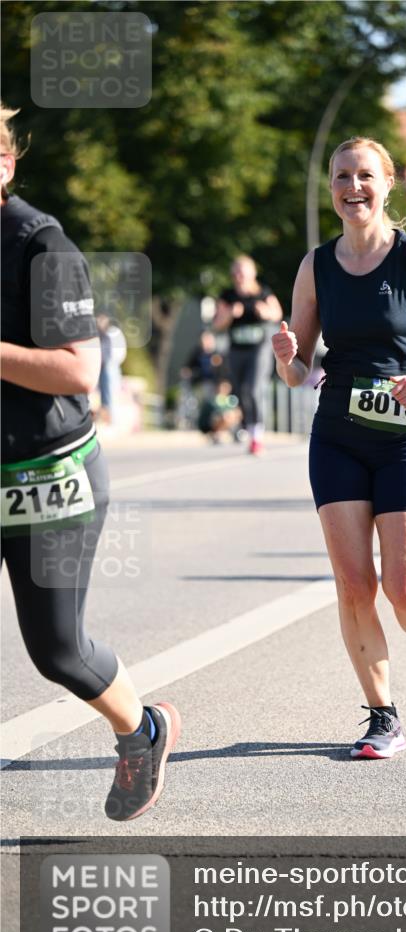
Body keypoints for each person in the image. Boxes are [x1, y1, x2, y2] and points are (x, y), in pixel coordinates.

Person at [272, 136, 406, 759]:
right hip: (337, 433)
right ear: (330, 186)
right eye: (341, 176)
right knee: (353, 584)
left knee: (405, 587)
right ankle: (382, 716)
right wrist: (289, 360)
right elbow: (300, 365)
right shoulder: (316, 265)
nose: (352, 187)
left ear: (387, 184)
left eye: (364, 175)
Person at [0, 104, 180, 820]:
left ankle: (142, 730)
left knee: (58, 651)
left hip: (50, 476)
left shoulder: (40, 245)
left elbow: (79, 370)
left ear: (6, 164)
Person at [214, 255, 282, 455]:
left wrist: (265, 312)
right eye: (235, 272)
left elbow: (277, 313)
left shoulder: (263, 292)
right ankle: (247, 426)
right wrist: (229, 315)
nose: (238, 276)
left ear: (252, 273)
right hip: (236, 350)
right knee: (240, 390)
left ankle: (256, 436)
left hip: (258, 350)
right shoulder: (227, 296)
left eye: (242, 271)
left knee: (253, 388)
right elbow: (217, 323)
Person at [95, 312, 127, 428]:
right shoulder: (100, 335)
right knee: (104, 394)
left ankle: (111, 420)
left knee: (110, 394)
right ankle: (106, 419)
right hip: (102, 367)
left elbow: (117, 352)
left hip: (110, 367)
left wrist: (110, 363)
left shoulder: (112, 333)